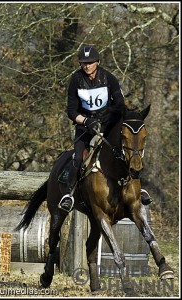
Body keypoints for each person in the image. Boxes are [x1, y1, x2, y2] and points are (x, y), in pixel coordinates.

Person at [58, 45, 152, 212]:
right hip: (85, 128)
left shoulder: (109, 78)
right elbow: (71, 111)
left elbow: (119, 105)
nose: (87, 66)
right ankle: (69, 195)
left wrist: (106, 120)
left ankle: (139, 189)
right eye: (83, 63)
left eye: (90, 62)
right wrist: (86, 121)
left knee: (128, 152)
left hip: (108, 126)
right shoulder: (76, 80)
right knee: (79, 158)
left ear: (98, 62)